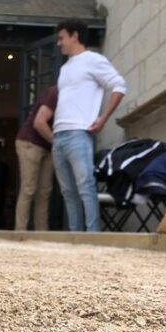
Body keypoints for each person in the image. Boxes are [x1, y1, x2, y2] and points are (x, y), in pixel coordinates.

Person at [53, 19, 126, 232]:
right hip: (59, 134)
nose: (59, 43)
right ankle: (76, 236)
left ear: (75, 36)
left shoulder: (93, 59)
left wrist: (102, 118)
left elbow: (119, 85)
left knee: (85, 186)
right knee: (68, 191)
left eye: (62, 38)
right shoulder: (65, 68)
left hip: (79, 133)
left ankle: (92, 236)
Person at [14, 85, 58, 231]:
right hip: (30, 143)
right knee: (29, 188)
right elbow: (39, 123)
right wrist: (57, 143)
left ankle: (41, 234)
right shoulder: (55, 92)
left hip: (48, 147)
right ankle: (20, 232)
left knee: (44, 192)